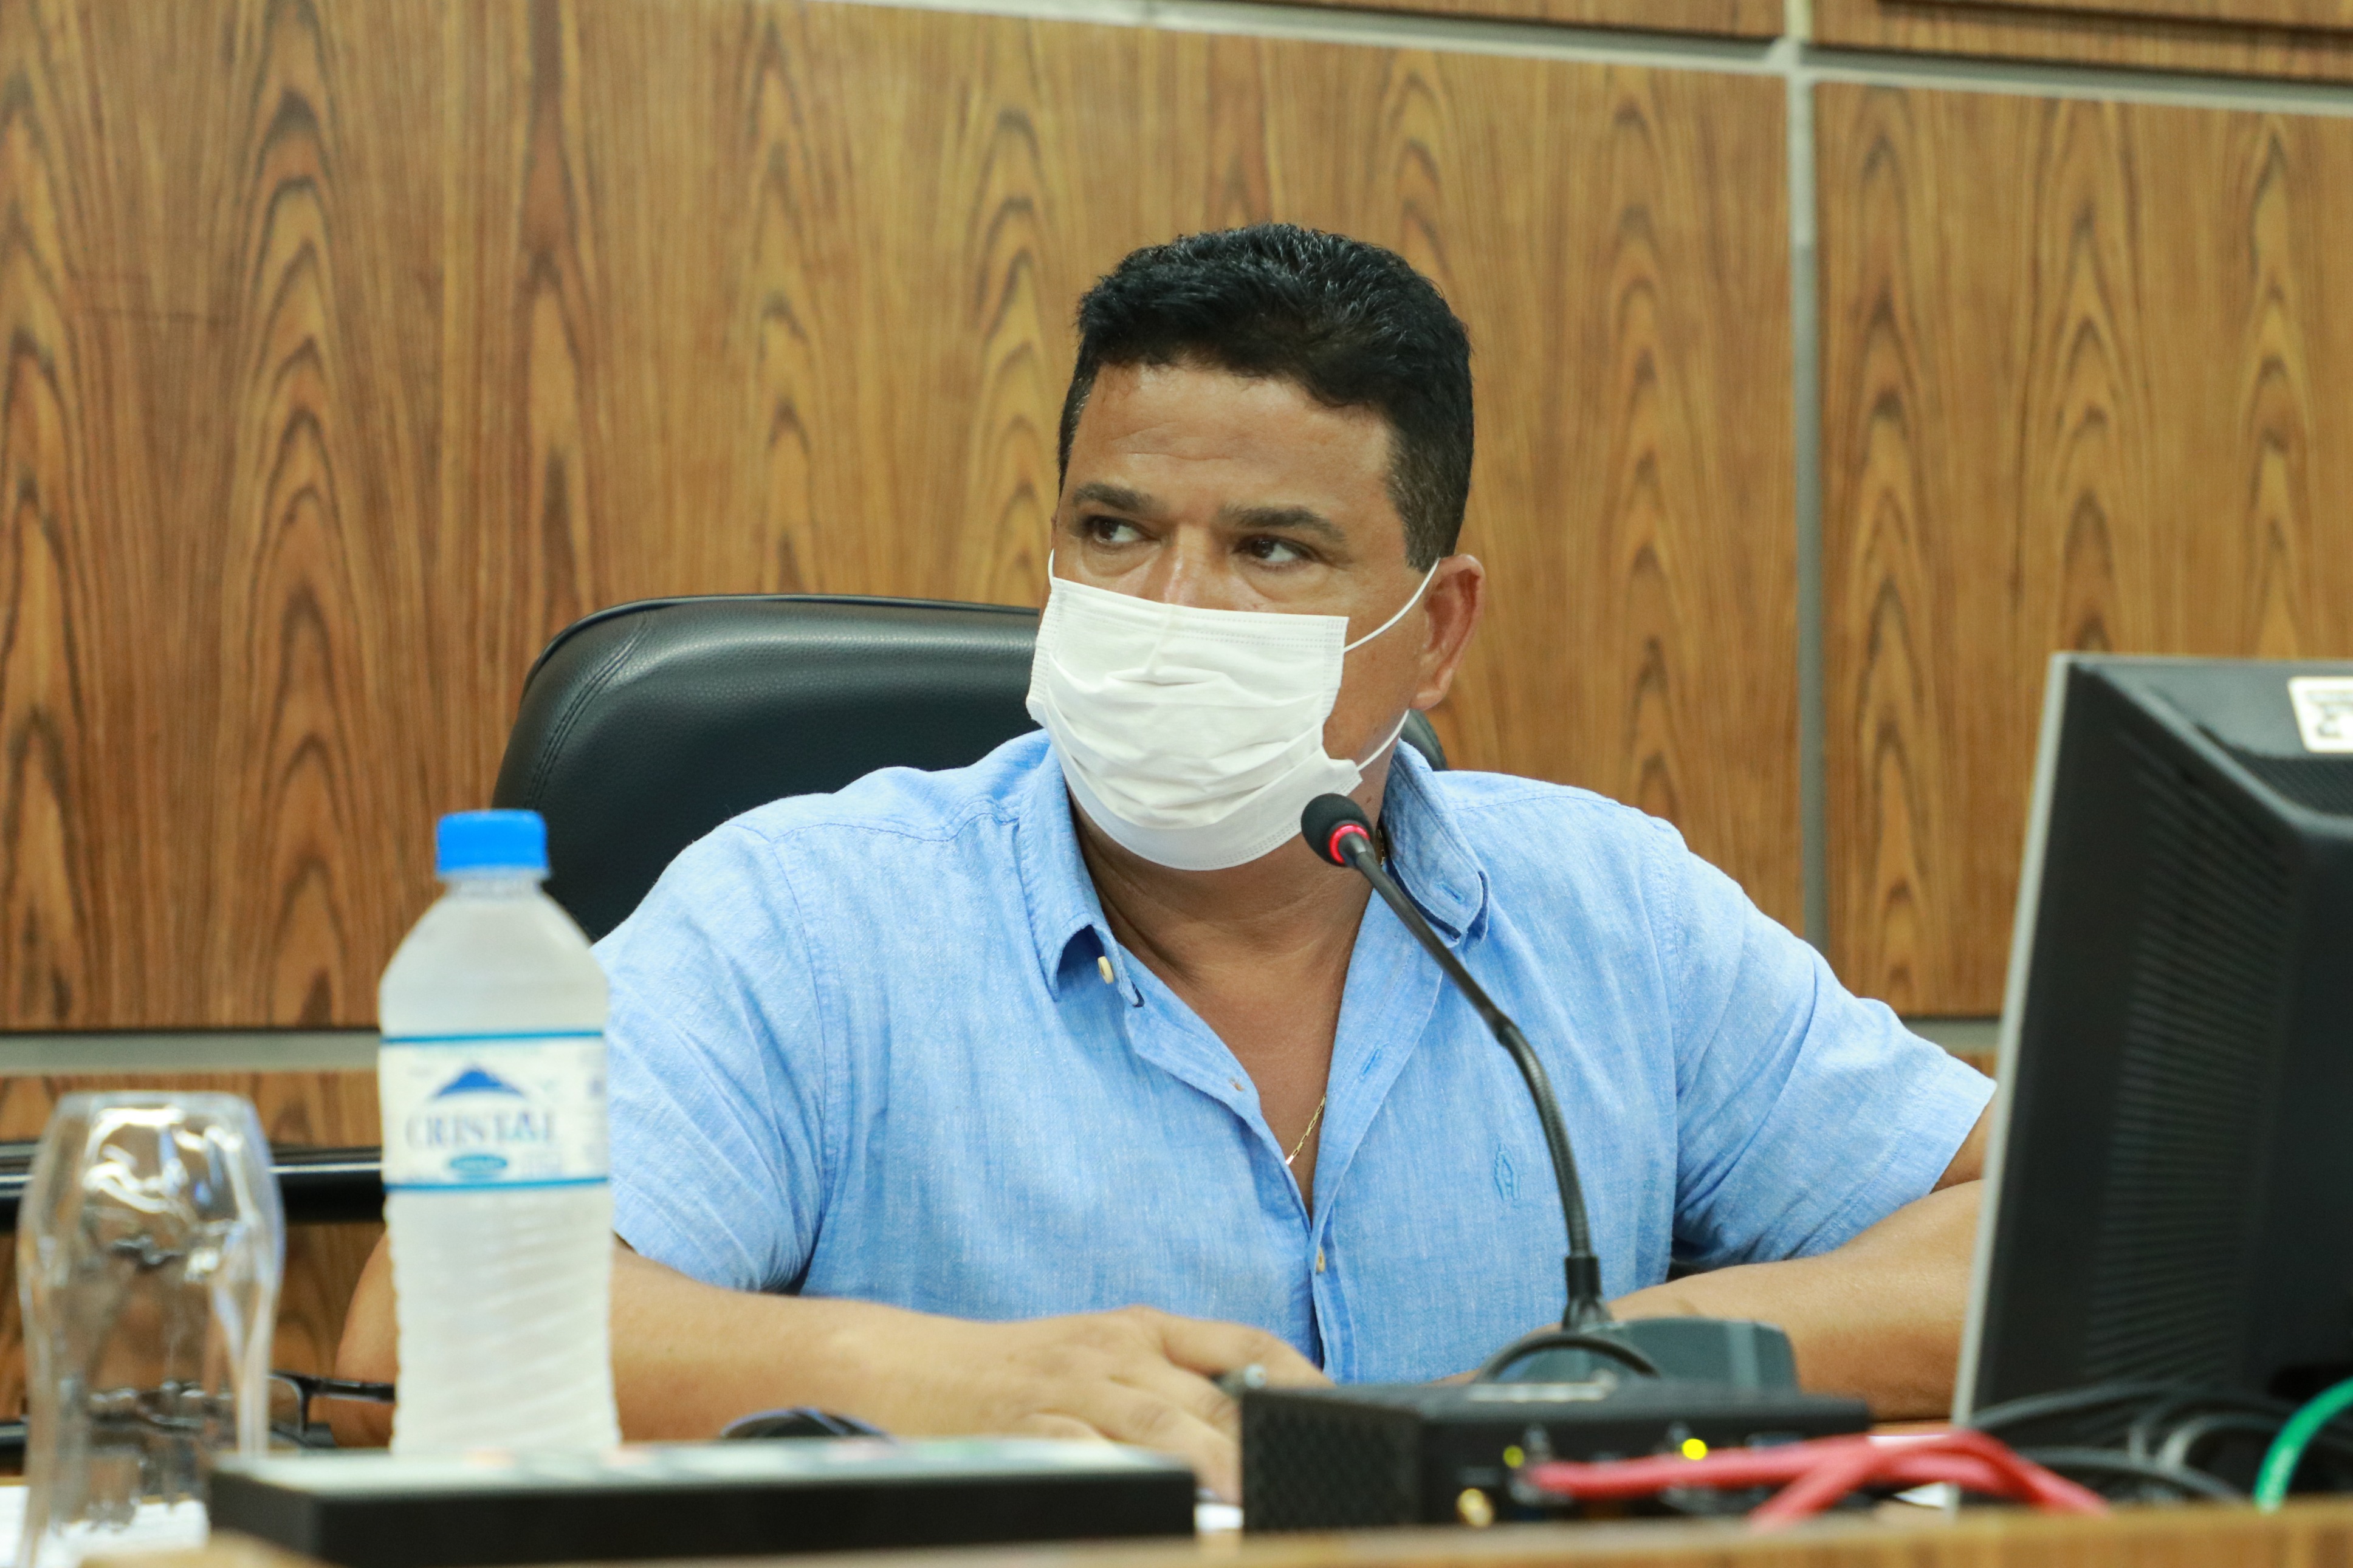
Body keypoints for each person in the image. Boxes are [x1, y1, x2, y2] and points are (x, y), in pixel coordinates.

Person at [338, 225, 1993, 1496]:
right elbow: (419, 1334)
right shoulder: (812, 917)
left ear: (1437, 632)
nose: (1172, 609)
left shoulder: (1610, 911)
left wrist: (1652, 1352)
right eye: (1115, 531)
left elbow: (2043, 1235)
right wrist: (929, 1383)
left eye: (1273, 549)